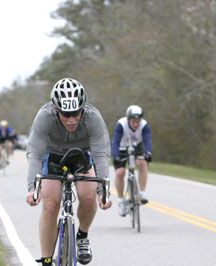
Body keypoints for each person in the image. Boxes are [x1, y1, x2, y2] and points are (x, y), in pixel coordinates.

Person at [26, 78, 112, 266]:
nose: (72, 119)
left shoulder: (93, 117)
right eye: (66, 114)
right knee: (50, 204)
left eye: (76, 113)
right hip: (53, 155)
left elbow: (101, 154)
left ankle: (82, 235)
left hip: (80, 155)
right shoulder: (44, 116)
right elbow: (35, 154)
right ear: (56, 110)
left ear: (82, 108)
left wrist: (103, 192)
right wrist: (32, 188)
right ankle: (47, 259)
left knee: (88, 197)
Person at [111, 105, 152, 217]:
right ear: (128, 119)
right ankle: (121, 201)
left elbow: (148, 140)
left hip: (136, 146)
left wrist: (148, 153)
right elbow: (115, 142)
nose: (136, 124)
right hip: (121, 148)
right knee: (120, 173)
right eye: (133, 121)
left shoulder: (144, 125)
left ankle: (142, 193)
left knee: (142, 163)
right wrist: (115, 156)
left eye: (138, 121)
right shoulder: (121, 124)